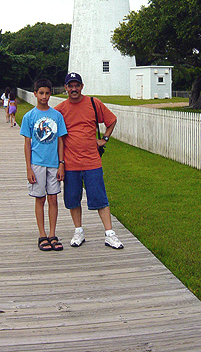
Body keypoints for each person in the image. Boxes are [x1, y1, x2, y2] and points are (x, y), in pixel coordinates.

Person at [55, 72, 124, 249]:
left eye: (77, 85)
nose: (74, 89)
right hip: (70, 163)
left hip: (92, 162)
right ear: (65, 88)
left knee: (100, 198)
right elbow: (54, 134)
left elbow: (112, 120)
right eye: (70, 86)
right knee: (73, 199)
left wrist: (105, 139)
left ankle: (110, 233)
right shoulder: (60, 109)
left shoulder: (94, 103)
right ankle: (78, 231)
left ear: (82, 86)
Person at [20, 79, 67, 251]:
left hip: (54, 163)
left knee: (53, 198)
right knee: (40, 199)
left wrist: (61, 163)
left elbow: (61, 140)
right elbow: (27, 143)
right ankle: (42, 234)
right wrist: (28, 168)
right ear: (35, 94)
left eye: (47, 93)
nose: (44, 96)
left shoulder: (57, 116)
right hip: (37, 163)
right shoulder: (29, 117)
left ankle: (53, 234)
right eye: (41, 93)